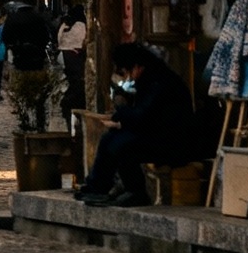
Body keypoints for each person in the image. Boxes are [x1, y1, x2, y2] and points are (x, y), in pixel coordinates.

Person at [76, 42, 199, 207]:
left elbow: (143, 115)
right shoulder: (151, 79)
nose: (129, 77)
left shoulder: (159, 82)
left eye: (127, 71)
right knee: (109, 139)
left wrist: (120, 115)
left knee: (121, 144)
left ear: (136, 66)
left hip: (173, 142)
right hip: (157, 134)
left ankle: (135, 192)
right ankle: (97, 187)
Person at [1, 0, 54, 129]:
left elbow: (5, 37)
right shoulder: (39, 18)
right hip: (37, 58)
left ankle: (24, 119)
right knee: (39, 91)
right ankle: (40, 119)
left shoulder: (13, 18)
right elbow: (47, 36)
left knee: (20, 90)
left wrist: (14, 47)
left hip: (20, 57)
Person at [57, 4, 89, 120]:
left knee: (70, 80)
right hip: (74, 54)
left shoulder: (65, 24)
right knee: (77, 81)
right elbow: (84, 41)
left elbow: (59, 38)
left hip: (62, 54)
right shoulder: (81, 25)